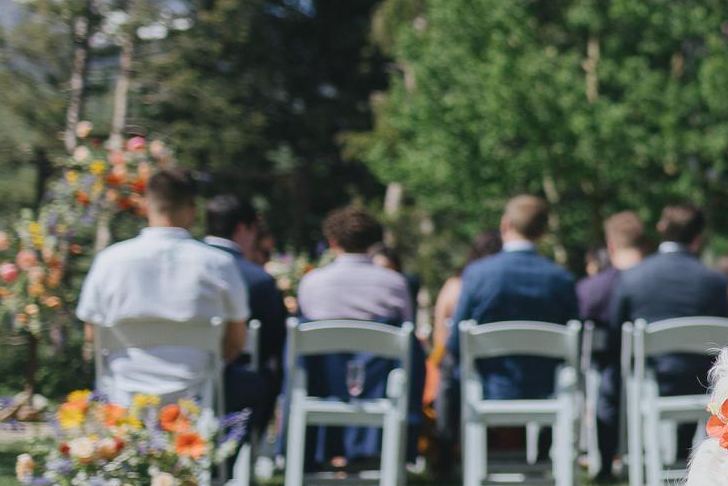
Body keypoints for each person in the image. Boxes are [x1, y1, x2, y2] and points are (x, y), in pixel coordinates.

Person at [77, 167, 249, 406]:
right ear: (192, 210)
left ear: (146, 205)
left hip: (123, 395)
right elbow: (235, 343)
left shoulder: (109, 260)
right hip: (197, 396)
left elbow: (92, 336)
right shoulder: (219, 264)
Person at [445, 195, 579, 433]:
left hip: (489, 387)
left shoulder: (477, 274)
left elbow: (456, 342)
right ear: (543, 232)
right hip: (546, 389)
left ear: (505, 224)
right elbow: (575, 340)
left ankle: (450, 451)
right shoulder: (561, 279)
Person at [605, 202, 728, 456]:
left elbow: (615, 336)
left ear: (661, 228)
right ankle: (683, 455)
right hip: (701, 380)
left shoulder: (632, 277)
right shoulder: (715, 281)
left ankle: (612, 459)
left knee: (613, 372)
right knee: (698, 364)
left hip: (651, 378)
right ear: (699, 237)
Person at [297, 206, 416, 466]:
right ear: (373, 243)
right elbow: (409, 332)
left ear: (332, 242)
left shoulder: (312, 282)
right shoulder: (394, 283)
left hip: (323, 385)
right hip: (377, 385)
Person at [202, 194, 288, 448]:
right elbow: (273, 343)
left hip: (156, 370)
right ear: (243, 229)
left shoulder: (179, 265)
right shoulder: (258, 280)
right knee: (264, 378)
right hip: (227, 384)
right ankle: (233, 455)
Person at [575, 212, 647, 482]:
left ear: (611, 245)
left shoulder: (591, 289)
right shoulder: (654, 280)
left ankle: (605, 465)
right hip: (662, 375)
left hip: (610, 373)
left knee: (607, 381)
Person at [425, 229, 503, 462]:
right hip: (493, 364)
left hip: (470, 362)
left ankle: (446, 446)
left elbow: (441, 333)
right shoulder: (484, 283)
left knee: (447, 379)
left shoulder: (456, 284)